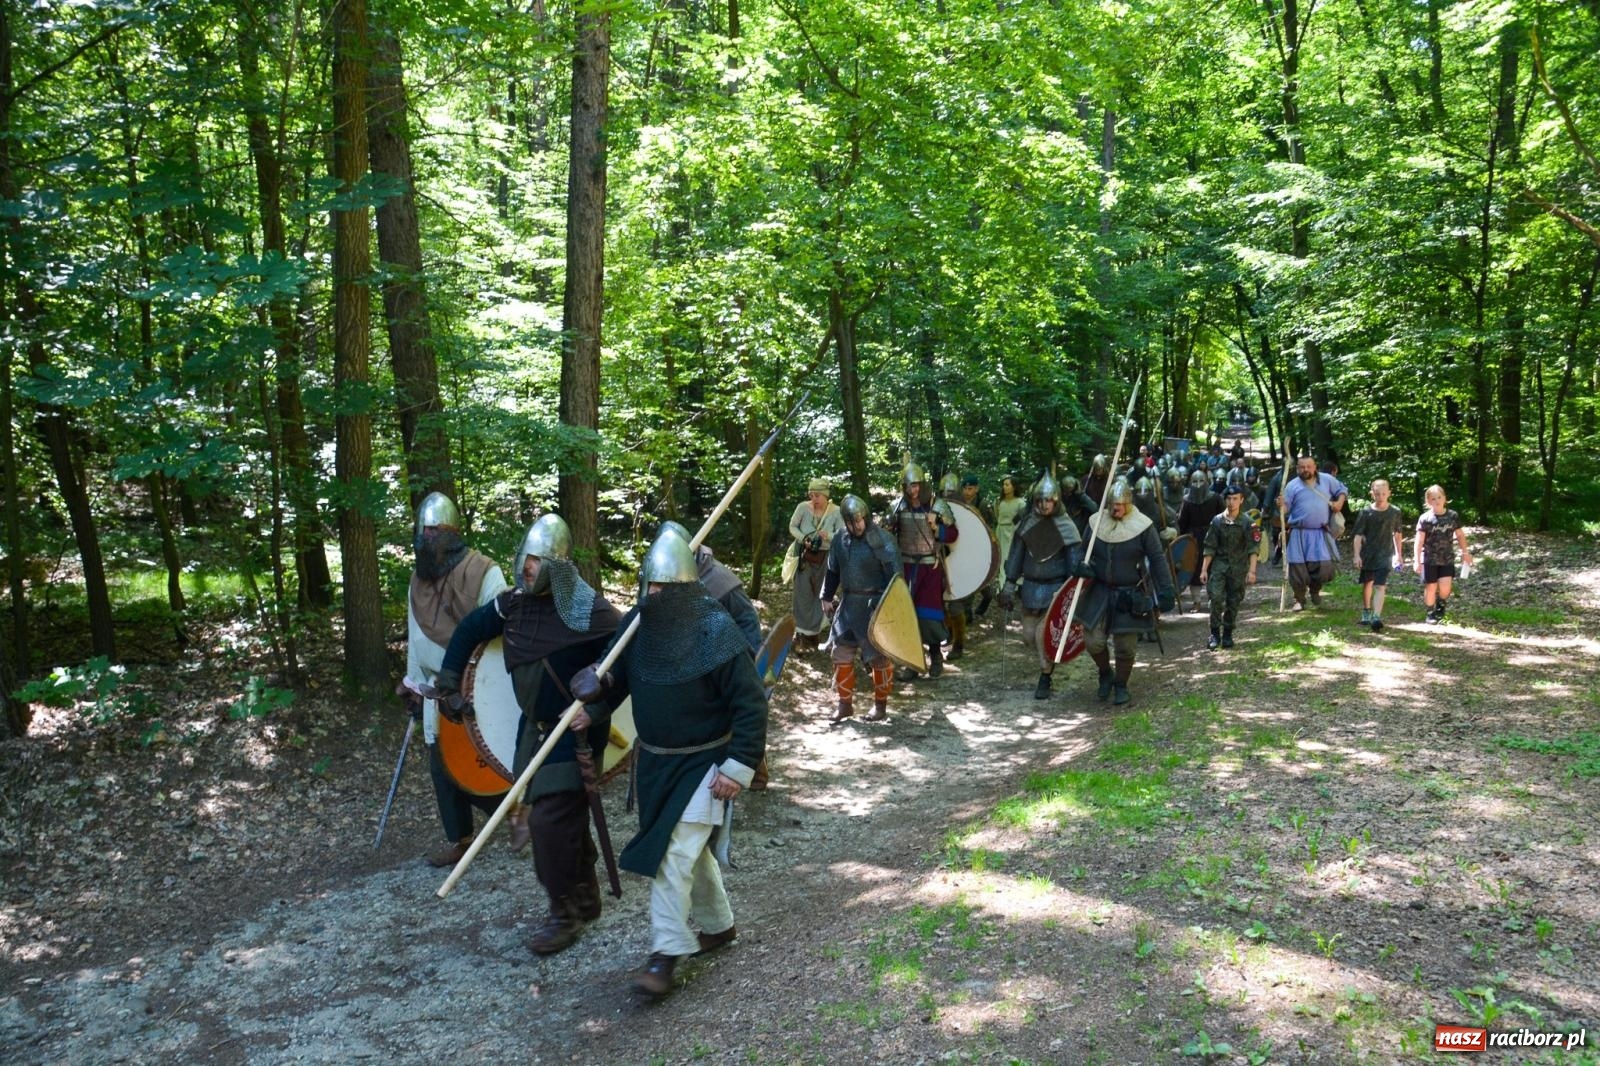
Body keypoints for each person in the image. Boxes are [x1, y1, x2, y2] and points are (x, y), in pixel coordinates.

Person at [570, 530, 768, 999]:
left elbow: (751, 703)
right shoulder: (640, 624)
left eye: (662, 587)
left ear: (683, 588)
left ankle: (665, 953)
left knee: (671, 854)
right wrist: (593, 709)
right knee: (687, 851)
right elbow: (617, 678)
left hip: (705, 765)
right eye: (649, 585)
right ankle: (718, 926)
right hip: (656, 766)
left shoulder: (716, 630)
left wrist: (738, 766)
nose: (653, 595)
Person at [431, 515, 622, 954]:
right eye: (524, 558)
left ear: (558, 565)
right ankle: (585, 895)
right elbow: (468, 631)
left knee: (547, 821)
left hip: (574, 733)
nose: (526, 567)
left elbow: (624, 661)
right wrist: (449, 682)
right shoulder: (512, 605)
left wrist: (595, 707)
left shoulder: (590, 611)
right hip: (532, 733)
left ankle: (563, 913)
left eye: (536, 560)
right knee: (564, 817)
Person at [400, 492, 509, 868]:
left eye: (434, 531)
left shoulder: (484, 571)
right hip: (436, 689)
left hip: (475, 684)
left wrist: (486, 684)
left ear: (451, 533)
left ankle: (517, 812)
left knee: (484, 761)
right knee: (441, 766)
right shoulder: (417, 581)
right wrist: (414, 685)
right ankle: (461, 838)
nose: (426, 539)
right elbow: (415, 636)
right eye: (423, 532)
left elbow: (500, 633)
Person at [1077, 479, 1175, 705]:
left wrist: (1166, 589)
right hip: (1099, 590)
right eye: (1113, 504)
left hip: (1129, 594)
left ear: (1129, 503)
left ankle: (1121, 684)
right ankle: (1105, 673)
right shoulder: (1095, 523)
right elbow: (1082, 551)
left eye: (1120, 504)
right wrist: (1080, 565)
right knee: (1093, 641)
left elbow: (1157, 559)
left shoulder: (1143, 526)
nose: (1116, 508)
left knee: (1125, 647)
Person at [998, 471, 1083, 699]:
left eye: (1049, 501)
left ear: (1056, 501)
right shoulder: (1027, 524)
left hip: (1056, 589)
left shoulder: (1066, 526)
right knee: (1028, 636)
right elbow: (1016, 557)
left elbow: (1074, 565)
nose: (1044, 505)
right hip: (1030, 588)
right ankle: (1047, 662)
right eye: (1040, 501)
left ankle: (1045, 677)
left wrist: (1072, 592)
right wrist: (1008, 586)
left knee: (1042, 635)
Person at [819, 494, 901, 722]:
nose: (856, 526)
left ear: (866, 517)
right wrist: (826, 596)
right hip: (848, 607)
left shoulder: (883, 540)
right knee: (840, 654)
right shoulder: (839, 540)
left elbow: (896, 580)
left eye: (858, 520)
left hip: (875, 607)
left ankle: (880, 706)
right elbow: (833, 570)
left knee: (879, 658)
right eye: (850, 522)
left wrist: (886, 607)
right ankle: (845, 705)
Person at [885, 459, 958, 679]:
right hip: (906, 567)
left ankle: (935, 657)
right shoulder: (898, 506)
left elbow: (953, 534)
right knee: (908, 616)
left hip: (930, 568)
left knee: (929, 616)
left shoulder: (937, 505)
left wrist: (936, 527)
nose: (913, 490)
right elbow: (887, 536)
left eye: (916, 485)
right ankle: (913, 663)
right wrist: (888, 526)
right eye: (909, 486)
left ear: (922, 485)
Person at [1279, 455, 1348, 610]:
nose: (1305, 470)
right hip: (1298, 533)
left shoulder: (1327, 480)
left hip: (1320, 533)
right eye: (1302, 467)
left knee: (1324, 568)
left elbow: (1342, 490)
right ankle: (1299, 600)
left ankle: (1315, 589)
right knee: (1298, 568)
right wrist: (1281, 505)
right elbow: (1286, 509)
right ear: (1297, 468)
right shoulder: (1292, 485)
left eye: (1308, 466)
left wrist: (1339, 503)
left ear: (1315, 467)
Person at [1198, 483, 1259, 649]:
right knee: (1216, 598)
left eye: (1235, 499)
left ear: (1241, 500)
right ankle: (1214, 633)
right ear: (1225, 500)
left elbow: (1253, 548)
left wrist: (1252, 571)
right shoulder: (1217, 521)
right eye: (1229, 499)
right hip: (1219, 566)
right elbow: (1210, 546)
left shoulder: (1248, 523)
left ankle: (1227, 634)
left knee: (1234, 601)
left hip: (1238, 568)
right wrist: (1204, 570)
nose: (1232, 502)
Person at [787, 478, 843, 653]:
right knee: (802, 594)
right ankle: (801, 634)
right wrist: (803, 538)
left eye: (817, 495)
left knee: (822, 594)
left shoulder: (836, 512)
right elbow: (792, 527)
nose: (814, 499)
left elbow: (843, 534)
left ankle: (814, 634)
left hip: (827, 557)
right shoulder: (802, 508)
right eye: (811, 495)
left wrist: (829, 535)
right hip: (805, 556)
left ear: (825, 495)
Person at [1414, 485, 1473, 624]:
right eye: (1433, 499)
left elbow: (1460, 535)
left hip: (1447, 558)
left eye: (1439, 497)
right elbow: (1419, 540)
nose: (1437, 501)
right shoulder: (1425, 518)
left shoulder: (1452, 516)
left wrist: (1465, 552)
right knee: (1431, 587)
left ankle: (1441, 603)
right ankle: (1430, 612)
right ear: (1428, 501)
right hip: (1429, 559)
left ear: (1445, 498)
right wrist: (1416, 560)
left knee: (1445, 588)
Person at [1352, 480, 1405, 631]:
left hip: (1385, 555)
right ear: (1372, 494)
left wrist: (1399, 554)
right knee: (1367, 583)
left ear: (1389, 493)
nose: (1380, 497)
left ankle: (1376, 617)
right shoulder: (1366, 512)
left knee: (1380, 585)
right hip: (1368, 554)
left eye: (1383, 494)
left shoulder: (1395, 512)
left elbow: (1397, 534)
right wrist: (1357, 555)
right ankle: (1366, 610)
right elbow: (1357, 535)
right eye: (1377, 494)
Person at [938, 472, 976, 660]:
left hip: (962, 563)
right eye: (944, 492)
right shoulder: (937, 510)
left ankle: (959, 644)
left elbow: (975, 539)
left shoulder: (969, 511)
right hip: (943, 561)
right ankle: (950, 634)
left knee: (955, 606)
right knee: (942, 603)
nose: (947, 496)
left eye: (951, 492)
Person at [1176, 469, 1223, 610]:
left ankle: (1214, 599)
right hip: (1194, 540)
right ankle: (1196, 601)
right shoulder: (1187, 500)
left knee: (1213, 568)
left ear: (1207, 482)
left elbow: (1222, 518)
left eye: (1201, 481)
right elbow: (1182, 523)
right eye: (1194, 481)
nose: (1198, 484)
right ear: (1190, 483)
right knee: (1194, 570)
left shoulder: (1215, 498)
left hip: (1212, 537)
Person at [959, 474, 997, 617]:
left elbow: (989, 527)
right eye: (965, 488)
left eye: (970, 489)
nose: (967, 492)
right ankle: (967, 610)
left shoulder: (983, 504)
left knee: (978, 577)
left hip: (978, 546)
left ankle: (984, 598)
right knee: (967, 577)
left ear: (976, 489)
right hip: (962, 546)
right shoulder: (959, 502)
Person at [993, 476, 1028, 592]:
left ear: (1014, 487)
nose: (1004, 487)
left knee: (1007, 559)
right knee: (1000, 558)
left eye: (1007, 485)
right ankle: (1002, 586)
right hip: (1000, 532)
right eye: (1003, 485)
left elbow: (1023, 521)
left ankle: (1007, 587)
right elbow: (997, 515)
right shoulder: (999, 502)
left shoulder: (1020, 503)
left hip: (1012, 534)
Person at [1060, 473, 1099, 540]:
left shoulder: (1080, 497)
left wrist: (1081, 495)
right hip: (1063, 529)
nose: (1067, 494)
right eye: (1065, 491)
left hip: (1078, 530)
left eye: (1069, 492)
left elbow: (1095, 509)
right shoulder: (1060, 497)